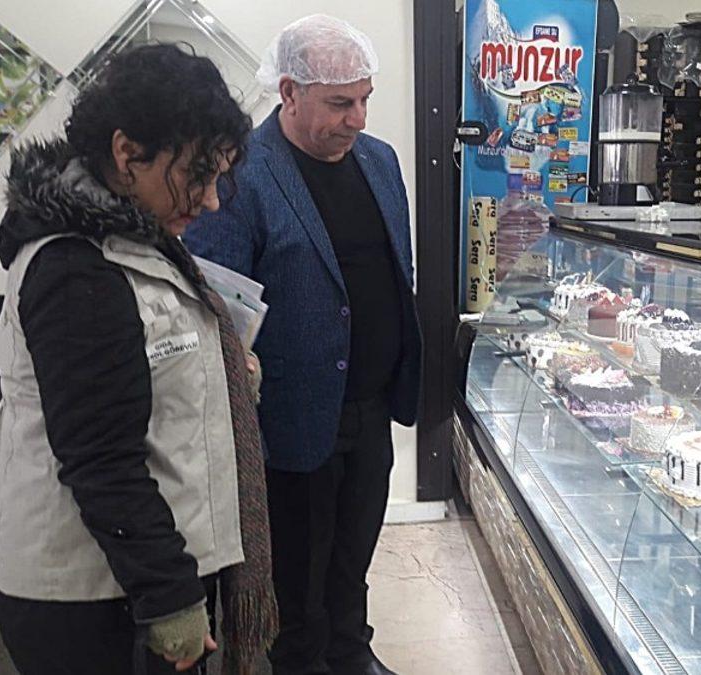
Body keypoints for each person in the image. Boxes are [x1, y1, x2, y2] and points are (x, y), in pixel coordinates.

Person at [0, 44, 277, 674]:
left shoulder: (133, 236)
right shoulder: (75, 268)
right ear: (126, 153)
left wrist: (221, 374)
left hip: (125, 576)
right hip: (90, 593)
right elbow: (100, 456)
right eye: (197, 173)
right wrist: (170, 596)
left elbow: (143, 381)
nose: (211, 200)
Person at [183, 14, 422, 675]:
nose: (358, 119)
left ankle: (351, 651)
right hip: (291, 416)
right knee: (298, 569)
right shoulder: (241, 174)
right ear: (289, 92)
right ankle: (301, 662)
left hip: (371, 405)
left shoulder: (379, 161)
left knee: (353, 552)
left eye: (365, 99)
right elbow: (218, 310)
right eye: (340, 103)